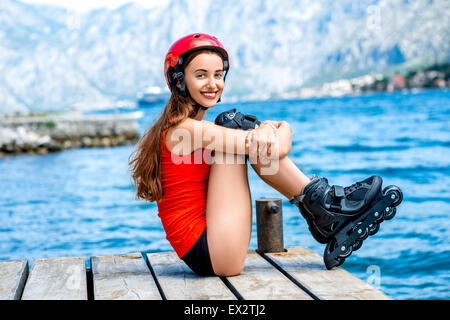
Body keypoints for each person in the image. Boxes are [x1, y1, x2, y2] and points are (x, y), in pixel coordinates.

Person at [129, 33, 402, 275]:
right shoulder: (185, 131)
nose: (212, 83)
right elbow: (276, 148)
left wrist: (266, 131)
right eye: (200, 75)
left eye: (218, 74)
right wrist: (282, 127)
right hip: (214, 253)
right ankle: (323, 207)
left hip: (214, 247)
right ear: (179, 80)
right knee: (235, 127)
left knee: (239, 131)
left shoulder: (192, 128)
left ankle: (324, 209)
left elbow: (264, 146)